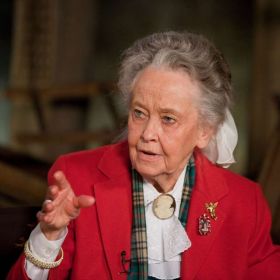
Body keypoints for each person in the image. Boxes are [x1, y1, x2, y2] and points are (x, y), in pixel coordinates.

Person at [7, 31, 280, 280]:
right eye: (139, 113)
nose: (147, 133)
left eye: (168, 119)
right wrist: (49, 237)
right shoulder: (76, 177)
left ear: (205, 131)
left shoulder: (245, 202)